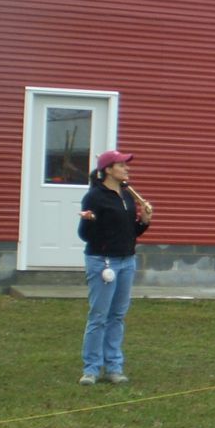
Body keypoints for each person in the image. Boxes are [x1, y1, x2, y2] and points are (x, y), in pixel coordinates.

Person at [77, 150, 152, 386]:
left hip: (127, 260)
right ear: (108, 169)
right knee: (99, 316)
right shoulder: (95, 197)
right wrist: (87, 221)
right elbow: (84, 235)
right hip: (103, 261)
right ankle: (91, 369)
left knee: (117, 316)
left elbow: (131, 233)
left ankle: (114, 367)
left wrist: (144, 221)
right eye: (121, 165)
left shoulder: (128, 195)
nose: (126, 169)